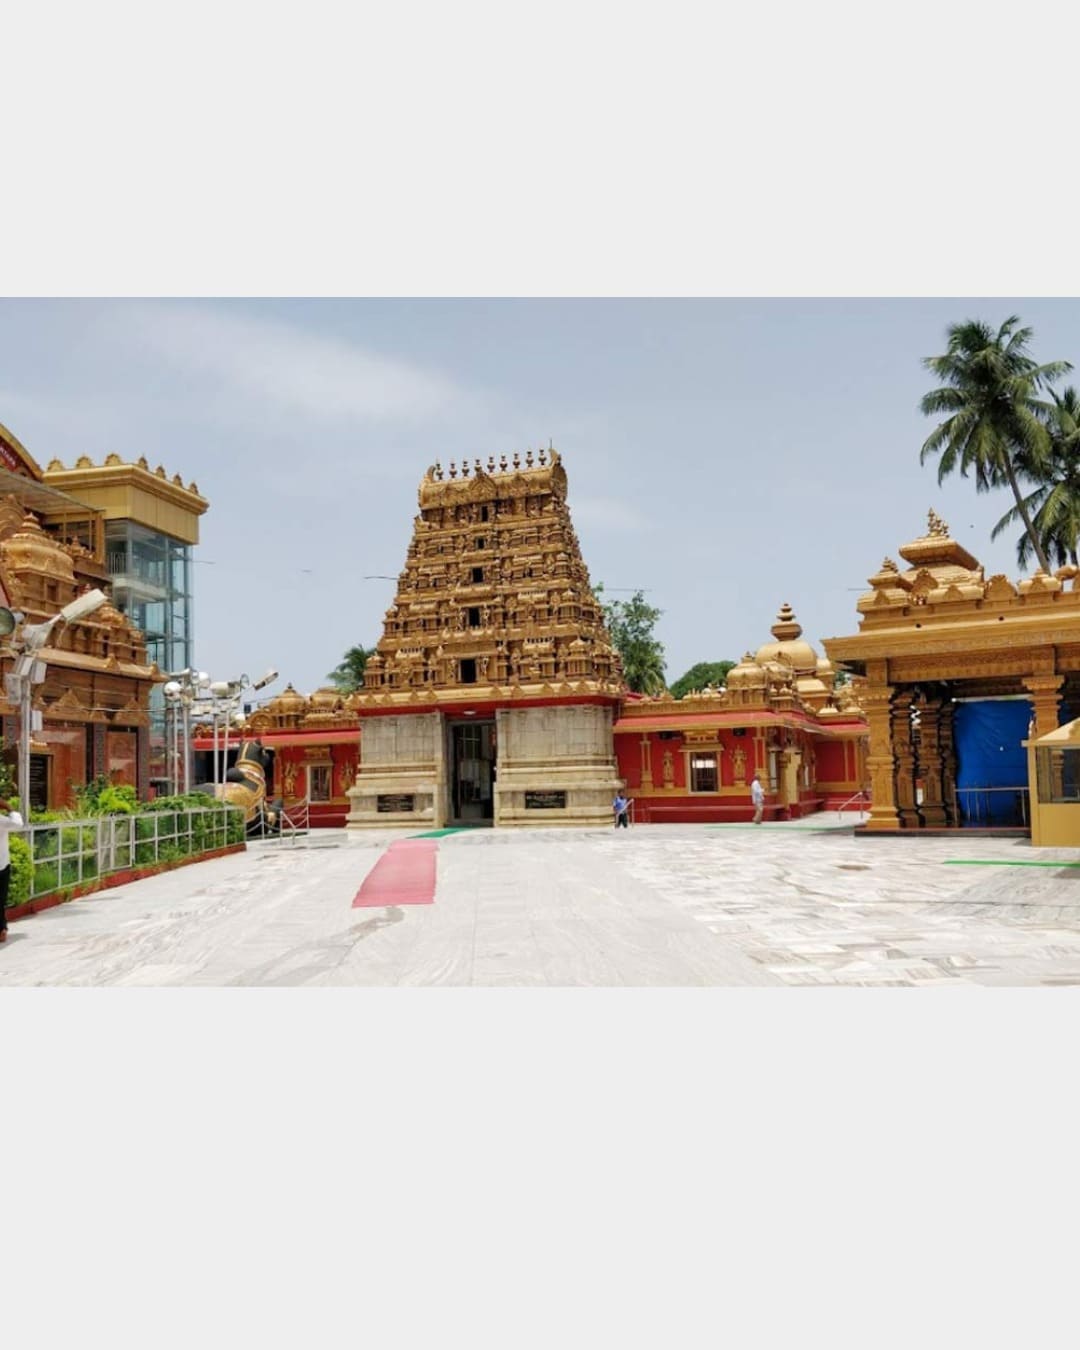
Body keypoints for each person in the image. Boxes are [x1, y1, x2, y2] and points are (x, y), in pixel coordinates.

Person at [0, 797, 25, 943]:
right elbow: (18, 824)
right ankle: (2, 929)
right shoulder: (2, 821)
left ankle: (2, 928)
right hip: (2, 866)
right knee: (0, 899)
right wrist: (9, 807)